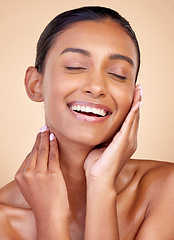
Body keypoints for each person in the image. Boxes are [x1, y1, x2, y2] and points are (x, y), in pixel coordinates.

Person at [0, 6, 174, 240]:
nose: (97, 87)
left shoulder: (166, 189)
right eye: (75, 67)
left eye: (118, 74)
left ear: (134, 95)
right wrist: (50, 216)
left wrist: (101, 185)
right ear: (35, 84)